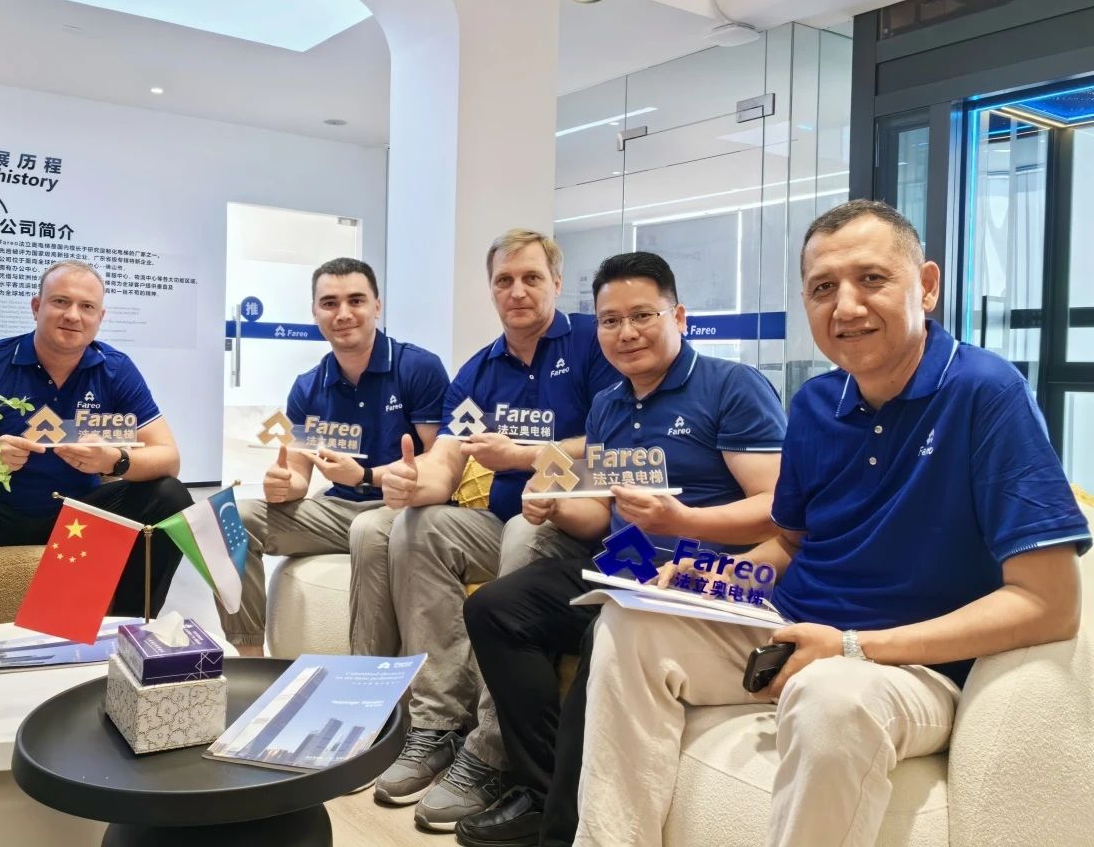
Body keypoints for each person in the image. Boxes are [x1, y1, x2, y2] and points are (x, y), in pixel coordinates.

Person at [574, 201, 1091, 847]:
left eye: (871, 279)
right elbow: (793, 541)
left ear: (926, 285)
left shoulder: (987, 393)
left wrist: (853, 647)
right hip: (790, 628)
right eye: (823, 289)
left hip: (909, 664)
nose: (846, 306)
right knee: (630, 622)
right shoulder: (818, 402)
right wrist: (712, 577)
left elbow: (1050, 603)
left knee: (830, 699)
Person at [456, 251, 787, 846]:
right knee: (495, 608)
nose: (626, 332)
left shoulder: (731, 387)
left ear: (678, 317)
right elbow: (601, 517)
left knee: (607, 630)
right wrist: (556, 506)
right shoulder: (608, 404)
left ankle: (564, 827)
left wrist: (685, 520)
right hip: (627, 568)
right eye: (610, 320)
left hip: (712, 575)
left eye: (642, 315)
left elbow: (779, 509)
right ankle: (540, 790)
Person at [377, 229, 620, 825]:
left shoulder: (593, 344)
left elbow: (613, 439)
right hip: (505, 519)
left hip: (583, 526)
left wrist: (527, 455)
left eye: (531, 277)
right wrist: (413, 485)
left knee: (523, 534)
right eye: (504, 280)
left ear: (556, 283)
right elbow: (447, 461)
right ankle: (436, 725)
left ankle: (491, 749)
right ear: (490, 290)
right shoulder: (479, 371)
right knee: (418, 526)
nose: (517, 291)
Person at [0, 259, 191, 617]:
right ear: (36, 307)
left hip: (75, 517)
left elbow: (168, 457)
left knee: (170, 496)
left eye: (86, 306)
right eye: (60, 301)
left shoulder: (115, 368)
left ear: (100, 317)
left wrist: (114, 460)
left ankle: (129, 625)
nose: (73, 315)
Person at [218, 258, 449, 657]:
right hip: (338, 511)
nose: (343, 314)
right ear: (315, 312)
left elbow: (439, 464)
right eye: (329, 303)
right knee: (228, 519)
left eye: (355, 300)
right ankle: (252, 662)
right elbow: (298, 477)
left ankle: (369, 675)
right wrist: (281, 484)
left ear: (377, 305)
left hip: (403, 511)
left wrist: (366, 476)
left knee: (368, 529)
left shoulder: (418, 368)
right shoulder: (308, 386)